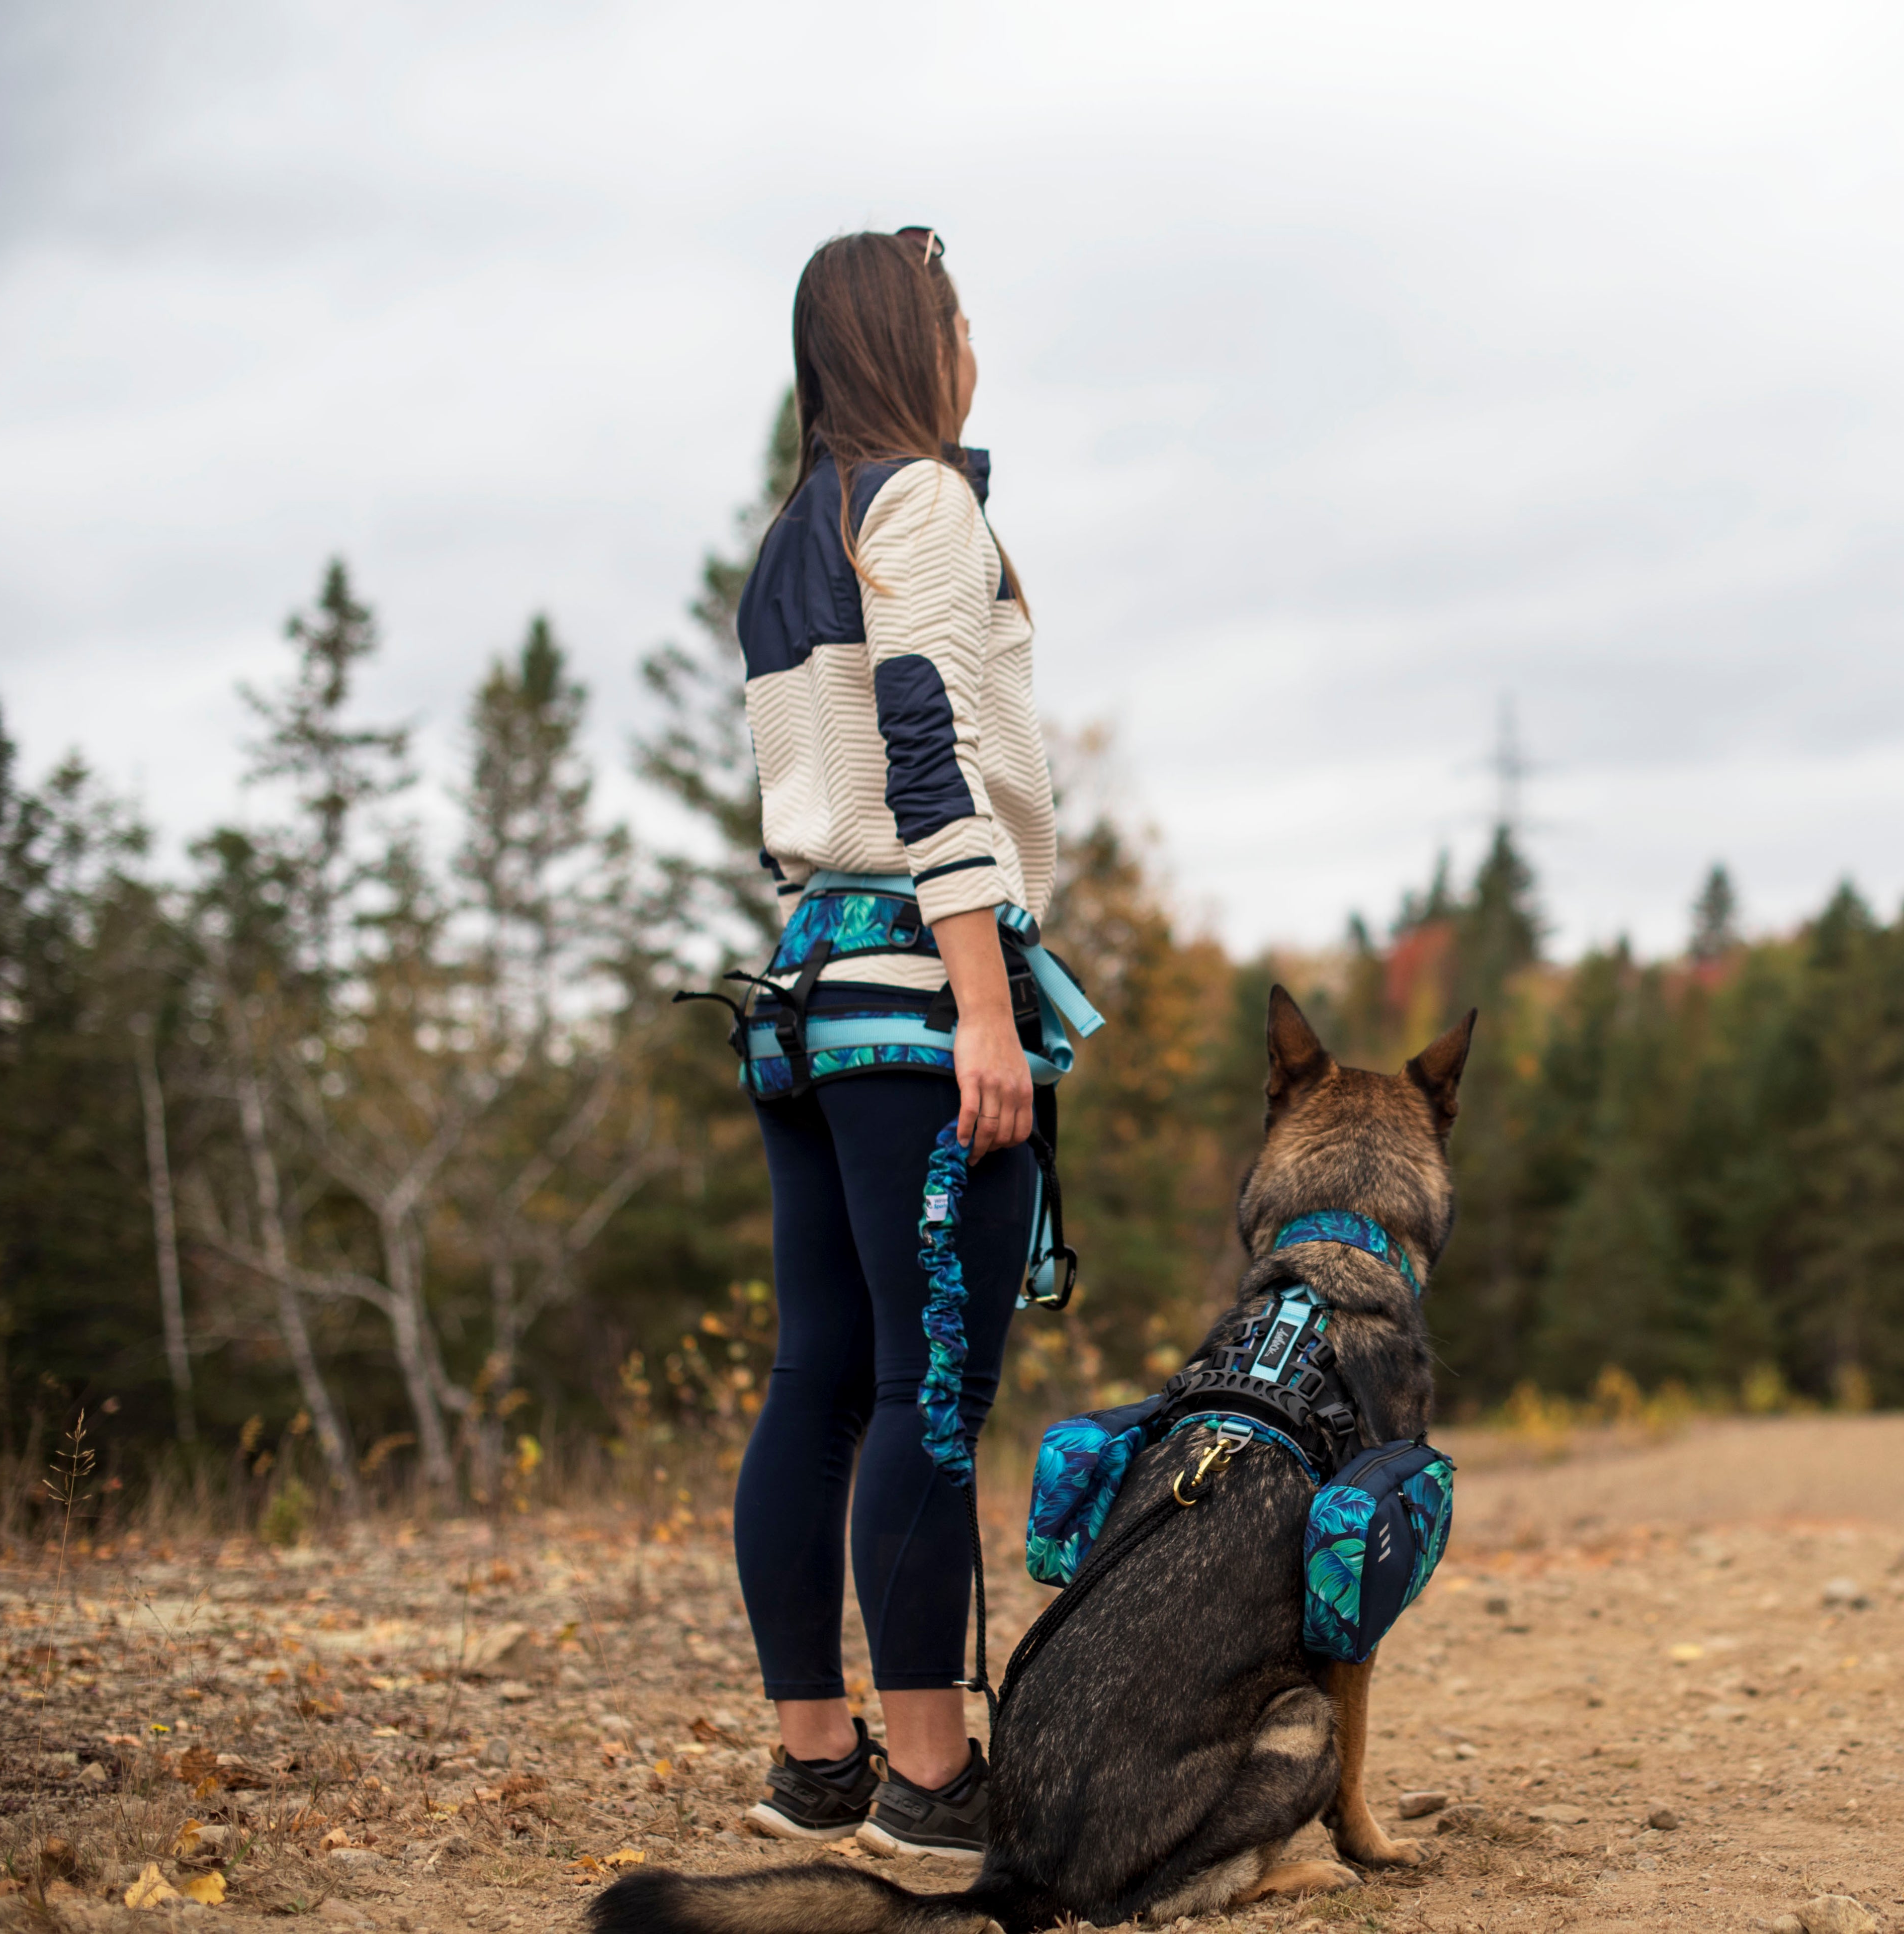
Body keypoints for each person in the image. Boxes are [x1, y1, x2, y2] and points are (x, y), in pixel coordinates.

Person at [726, 225, 1056, 1863]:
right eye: (958, 316)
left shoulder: (797, 529)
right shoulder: (921, 500)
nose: (974, 338)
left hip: (805, 1001)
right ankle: (933, 1786)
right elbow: (926, 751)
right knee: (933, 1390)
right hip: (918, 1004)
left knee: (820, 1381)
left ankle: (819, 1762)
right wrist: (986, 1005)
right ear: (909, 341)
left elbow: (823, 781)